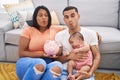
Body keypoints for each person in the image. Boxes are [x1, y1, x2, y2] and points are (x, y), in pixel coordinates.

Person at [16, 5, 65, 80]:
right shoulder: (28, 30)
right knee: (40, 63)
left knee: (57, 66)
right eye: (40, 15)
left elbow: (71, 31)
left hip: (48, 63)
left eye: (46, 15)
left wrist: (59, 51)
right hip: (27, 62)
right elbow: (21, 53)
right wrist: (42, 54)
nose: (44, 17)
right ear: (35, 18)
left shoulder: (55, 29)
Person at [55, 6, 101, 80]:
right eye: (67, 17)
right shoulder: (59, 35)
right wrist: (69, 57)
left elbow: (97, 56)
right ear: (64, 20)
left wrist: (90, 73)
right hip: (66, 71)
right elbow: (56, 59)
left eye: (72, 16)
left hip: (85, 71)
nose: (70, 20)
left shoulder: (91, 33)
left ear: (78, 16)